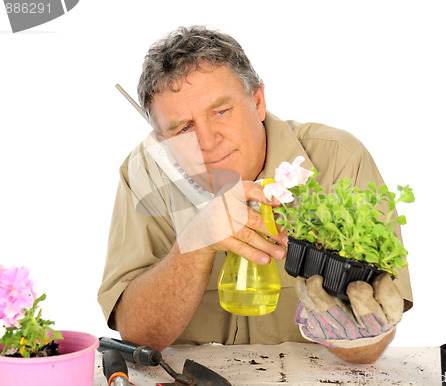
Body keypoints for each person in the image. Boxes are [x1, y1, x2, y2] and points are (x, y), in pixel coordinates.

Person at [98, 25, 413, 364]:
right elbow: (138, 336)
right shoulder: (146, 173)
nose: (207, 141)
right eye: (183, 128)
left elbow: (368, 352)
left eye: (221, 111)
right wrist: (197, 242)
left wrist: (358, 336)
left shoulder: (339, 159)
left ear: (258, 101)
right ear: (162, 138)